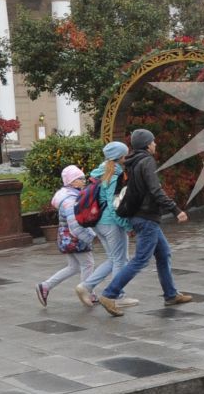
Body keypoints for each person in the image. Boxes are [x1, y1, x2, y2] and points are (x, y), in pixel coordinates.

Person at [96, 127, 194, 316]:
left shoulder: (132, 162)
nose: (155, 144)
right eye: (153, 141)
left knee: (163, 253)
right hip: (147, 217)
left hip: (140, 216)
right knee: (141, 259)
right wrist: (175, 209)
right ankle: (109, 294)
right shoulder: (146, 161)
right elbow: (155, 190)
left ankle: (171, 294)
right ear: (147, 145)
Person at [77, 141, 137, 308]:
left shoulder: (100, 171)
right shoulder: (114, 174)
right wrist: (127, 225)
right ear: (120, 157)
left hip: (97, 223)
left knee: (113, 259)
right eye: (126, 154)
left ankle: (86, 286)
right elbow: (113, 204)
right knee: (120, 260)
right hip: (111, 223)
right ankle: (117, 296)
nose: (128, 156)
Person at [37, 165, 97, 307]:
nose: (84, 181)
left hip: (67, 238)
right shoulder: (70, 200)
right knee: (88, 264)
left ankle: (45, 286)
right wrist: (90, 236)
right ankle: (88, 293)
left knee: (74, 266)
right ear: (72, 182)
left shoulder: (69, 195)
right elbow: (75, 224)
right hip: (75, 238)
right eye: (80, 178)